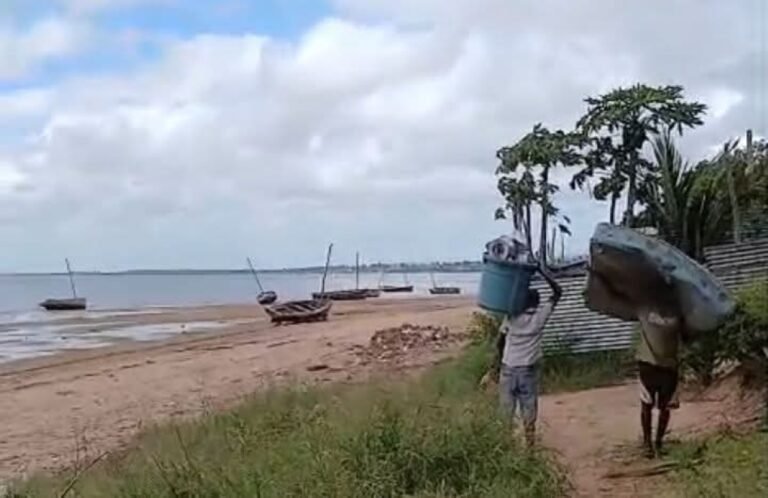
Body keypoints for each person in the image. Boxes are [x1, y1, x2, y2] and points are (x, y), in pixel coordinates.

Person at [483, 262, 563, 446]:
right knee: (529, 408)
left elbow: (500, 341)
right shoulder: (539, 318)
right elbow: (558, 293)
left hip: (508, 369)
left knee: (506, 411)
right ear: (536, 303)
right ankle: (530, 446)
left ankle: (505, 446)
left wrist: (494, 367)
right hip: (527, 371)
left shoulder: (511, 317)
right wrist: (543, 272)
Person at [636, 300, 691, 458]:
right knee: (663, 407)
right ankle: (656, 444)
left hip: (649, 364)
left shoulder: (644, 309)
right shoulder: (678, 315)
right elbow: (687, 338)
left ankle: (650, 444)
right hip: (666, 366)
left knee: (649, 405)